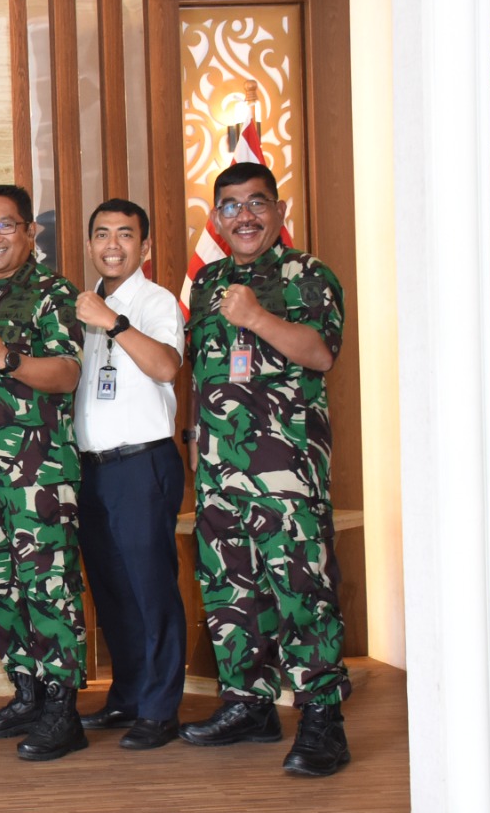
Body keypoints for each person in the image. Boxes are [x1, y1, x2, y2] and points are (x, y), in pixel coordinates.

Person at [181, 162, 351, 777]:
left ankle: (323, 720)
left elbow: (321, 354)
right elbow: (202, 373)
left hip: (287, 472)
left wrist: (255, 317)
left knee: (302, 591)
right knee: (231, 592)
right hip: (219, 471)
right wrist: (197, 447)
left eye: (257, 203)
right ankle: (248, 704)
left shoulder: (308, 275)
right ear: (217, 218)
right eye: (230, 205)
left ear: (279, 211)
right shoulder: (208, 282)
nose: (244, 216)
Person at [0, 184, 87, 762]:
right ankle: (28, 692)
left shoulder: (54, 294)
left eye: (5, 225)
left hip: (39, 475)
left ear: (30, 232)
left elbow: (67, 374)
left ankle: (63, 709)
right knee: (0, 586)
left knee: (49, 587)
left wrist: (7, 358)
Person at [71, 199, 187, 750]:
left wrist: (113, 323)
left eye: (124, 234)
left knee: (150, 588)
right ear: (89, 244)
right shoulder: (83, 305)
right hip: (92, 469)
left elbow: (166, 366)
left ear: (145, 246)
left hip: (141, 464)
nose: (112, 244)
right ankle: (129, 694)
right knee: (112, 590)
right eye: (101, 234)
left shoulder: (155, 300)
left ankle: (161, 709)